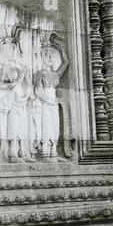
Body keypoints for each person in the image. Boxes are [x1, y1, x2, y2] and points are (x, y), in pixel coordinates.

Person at [0, 36, 34, 164]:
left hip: (22, 99)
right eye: (9, 49)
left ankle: (23, 152)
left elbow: (29, 84)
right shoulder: (5, 68)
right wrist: (18, 79)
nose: (12, 52)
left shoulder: (20, 66)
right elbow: (0, 85)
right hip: (12, 99)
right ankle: (12, 153)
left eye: (14, 49)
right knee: (14, 126)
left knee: (23, 127)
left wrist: (26, 95)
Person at [34, 34, 69, 163]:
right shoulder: (41, 73)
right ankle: (44, 153)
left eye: (51, 55)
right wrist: (47, 101)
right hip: (46, 102)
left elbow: (66, 63)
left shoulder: (55, 75)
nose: (49, 58)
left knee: (55, 127)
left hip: (53, 103)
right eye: (46, 55)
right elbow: (37, 91)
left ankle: (53, 152)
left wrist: (61, 49)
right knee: (46, 127)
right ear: (42, 56)